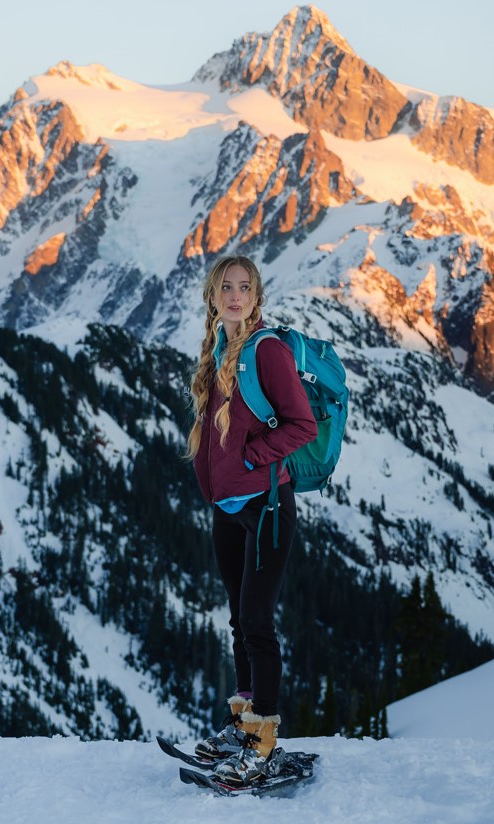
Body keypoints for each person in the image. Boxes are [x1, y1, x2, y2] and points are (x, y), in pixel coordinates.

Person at [186, 254, 316, 787]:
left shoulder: (267, 352)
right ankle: (243, 727)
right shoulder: (218, 350)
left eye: (244, 287)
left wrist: (249, 460)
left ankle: (263, 741)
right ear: (213, 297)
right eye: (225, 287)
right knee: (239, 620)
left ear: (256, 295)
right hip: (228, 510)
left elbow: (301, 424)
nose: (235, 296)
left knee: (258, 622)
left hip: (266, 508)